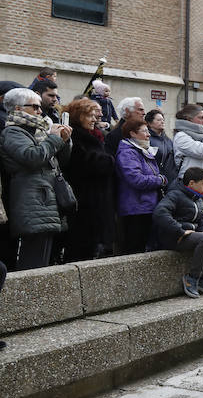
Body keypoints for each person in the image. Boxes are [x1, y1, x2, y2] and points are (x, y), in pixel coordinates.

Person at [0, 88, 72, 270]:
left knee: (44, 258)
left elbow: (58, 161)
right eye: (35, 107)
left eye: (40, 107)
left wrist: (64, 140)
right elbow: (33, 158)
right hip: (32, 199)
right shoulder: (13, 132)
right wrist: (54, 139)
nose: (40, 111)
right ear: (17, 109)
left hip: (45, 198)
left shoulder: (38, 131)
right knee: (32, 261)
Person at [152, 167, 203, 298]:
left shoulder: (197, 199)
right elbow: (160, 213)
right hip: (174, 237)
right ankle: (192, 278)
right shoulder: (175, 195)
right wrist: (179, 230)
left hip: (192, 235)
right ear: (192, 183)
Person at [62, 98, 116, 262]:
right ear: (78, 116)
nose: (94, 119)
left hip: (96, 201)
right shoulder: (75, 137)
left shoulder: (93, 136)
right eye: (90, 116)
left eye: (95, 115)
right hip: (84, 202)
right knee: (81, 248)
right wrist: (109, 161)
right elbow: (89, 163)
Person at [115, 119, 167, 254]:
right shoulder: (128, 152)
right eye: (144, 131)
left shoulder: (142, 150)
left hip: (146, 206)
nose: (148, 134)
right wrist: (160, 180)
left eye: (148, 131)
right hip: (136, 208)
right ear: (132, 133)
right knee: (134, 249)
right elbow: (136, 179)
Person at [145, 109, 177, 185]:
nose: (162, 122)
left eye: (163, 120)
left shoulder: (167, 139)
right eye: (159, 120)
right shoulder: (147, 139)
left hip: (171, 179)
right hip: (156, 179)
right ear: (150, 123)